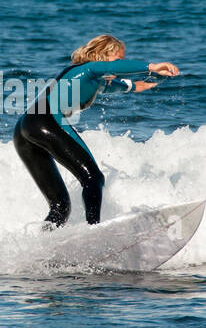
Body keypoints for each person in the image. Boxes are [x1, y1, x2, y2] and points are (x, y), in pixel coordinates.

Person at [13, 34, 179, 228]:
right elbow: (111, 68)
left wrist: (160, 77)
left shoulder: (97, 82)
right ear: (103, 54)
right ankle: (94, 230)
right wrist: (152, 66)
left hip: (24, 129)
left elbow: (136, 86)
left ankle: (44, 247)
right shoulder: (89, 69)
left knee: (60, 206)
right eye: (119, 58)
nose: (121, 64)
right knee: (93, 178)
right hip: (45, 121)